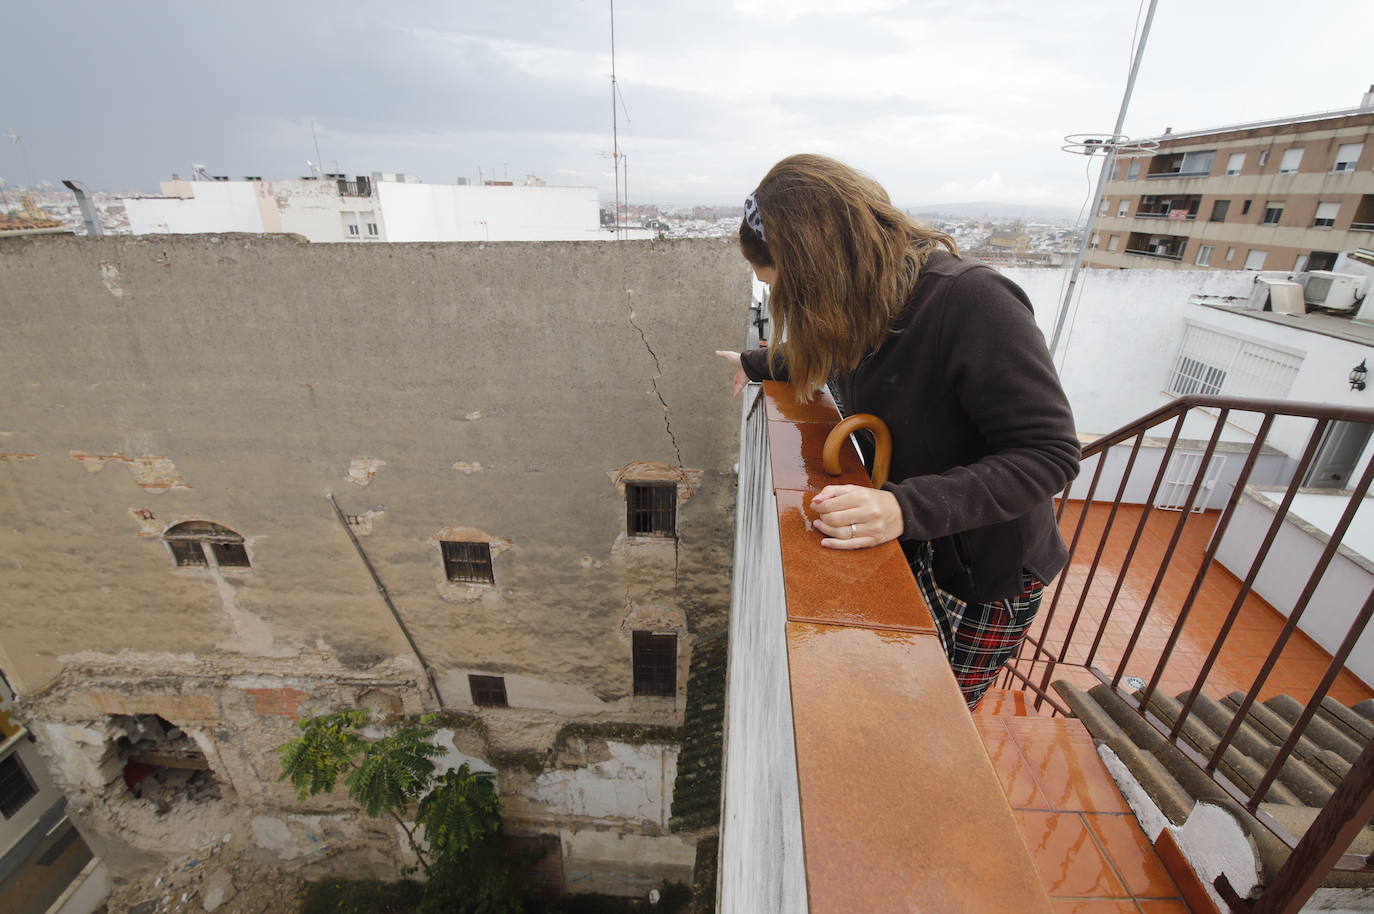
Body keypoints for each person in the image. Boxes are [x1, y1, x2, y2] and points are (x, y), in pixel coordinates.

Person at [716, 154, 1080, 710]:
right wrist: (760, 362)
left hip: (984, 573)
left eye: (786, 286)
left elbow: (1049, 454)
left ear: (820, 267)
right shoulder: (866, 301)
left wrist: (902, 509)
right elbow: (836, 352)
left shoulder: (972, 302)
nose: (789, 305)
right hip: (923, 536)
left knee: (937, 712)